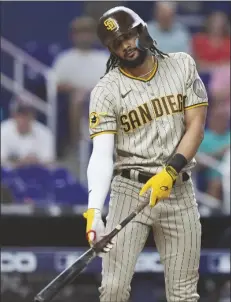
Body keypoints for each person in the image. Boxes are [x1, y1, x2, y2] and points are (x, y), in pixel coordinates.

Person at [83, 6, 208, 302]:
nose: (125, 45)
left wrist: (170, 170)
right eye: (117, 42)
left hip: (178, 189)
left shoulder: (182, 64)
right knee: (112, 289)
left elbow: (197, 127)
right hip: (130, 189)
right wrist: (93, 211)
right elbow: (101, 153)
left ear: (142, 31)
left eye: (129, 36)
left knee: (184, 294)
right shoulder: (105, 90)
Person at [52, 16, 108, 147]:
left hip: (100, 98)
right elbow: (54, 84)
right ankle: (77, 146)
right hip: (72, 100)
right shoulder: (64, 59)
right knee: (78, 98)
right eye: (80, 33)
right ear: (73, 36)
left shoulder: (104, 58)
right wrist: (74, 89)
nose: (84, 36)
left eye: (88, 32)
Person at [1, 100, 55, 167]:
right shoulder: (3, 130)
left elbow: (49, 163)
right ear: (13, 115)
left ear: (33, 116)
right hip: (11, 175)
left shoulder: (45, 133)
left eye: (26, 115)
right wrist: (19, 163)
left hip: (36, 174)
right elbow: (2, 162)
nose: (23, 119)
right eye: (20, 115)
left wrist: (36, 162)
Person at [198, 106, 230, 201]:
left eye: (224, 118)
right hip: (213, 172)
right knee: (216, 184)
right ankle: (211, 212)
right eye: (218, 118)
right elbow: (198, 159)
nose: (222, 121)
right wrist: (219, 153)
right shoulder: (203, 137)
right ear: (211, 120)